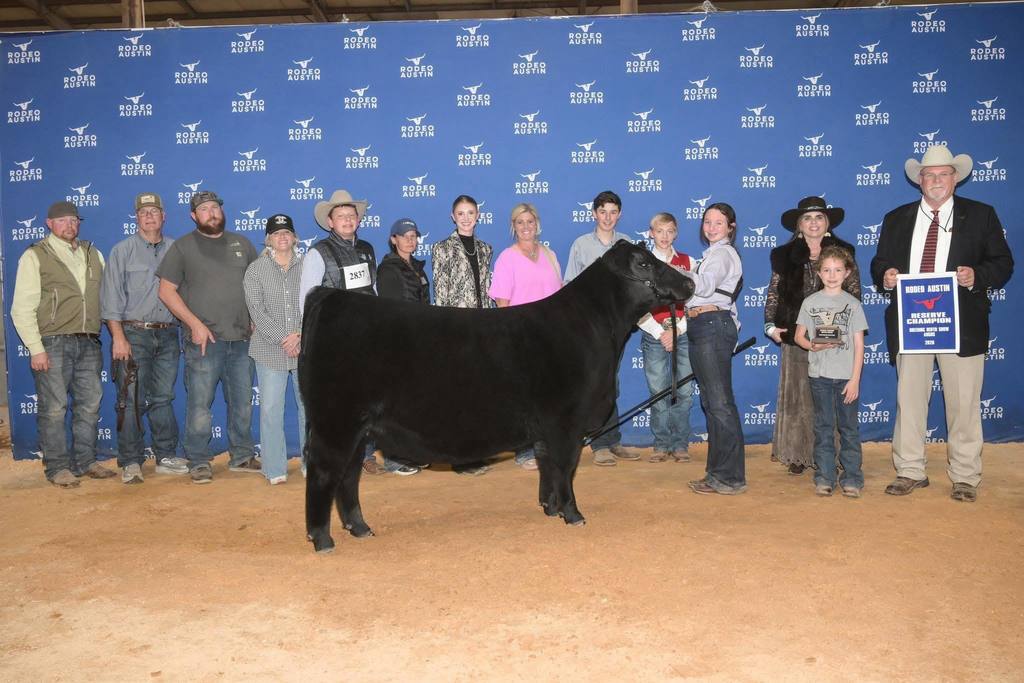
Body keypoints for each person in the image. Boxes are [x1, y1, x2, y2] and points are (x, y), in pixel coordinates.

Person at [871, 145, 1013, 502]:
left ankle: (965, 475)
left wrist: (976, 275)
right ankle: (909, 469)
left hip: (963, 323)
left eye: (943, 174)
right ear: (919, 180)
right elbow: (879, 262)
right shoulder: (896, 218)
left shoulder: (981, 215)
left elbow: (1003, 263)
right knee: (909, 399)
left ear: (955, 178)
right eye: (929, 175)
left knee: (964, 402)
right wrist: (885, 276)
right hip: (912, 322)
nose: (936, 180)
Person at [157, 191, 260, 484]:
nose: (211, 212)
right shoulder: (183, 247)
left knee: (242, 402)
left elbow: (256, 285)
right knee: (200, 405)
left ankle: (242, 455)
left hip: (241, 338)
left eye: (215, 207)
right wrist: (194, 324)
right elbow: (166, 291)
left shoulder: (242, 244)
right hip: (204, 341)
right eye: (204, 209)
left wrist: (255, 319)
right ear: (194, 216)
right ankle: (199, 459)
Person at [11, 200, 115, 487]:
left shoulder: (93, 254)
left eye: (73, 220)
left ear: (78, 223)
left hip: (89, 340)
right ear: (49, 224)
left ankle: (86, 461)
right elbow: (22, 308)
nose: (69, 225)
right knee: (54, 408)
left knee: (89, 405)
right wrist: (36, 348)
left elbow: (107, 297)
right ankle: (57, 467)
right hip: (53, 342)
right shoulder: (35, 255)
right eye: (62, 221)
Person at [764, 196, 860, 476]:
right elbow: (774, 291)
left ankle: (835, 456)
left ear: (827, 222)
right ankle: (799, 453)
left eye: (819, 217)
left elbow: (855, 293)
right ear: (799, 224)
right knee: (799, 397)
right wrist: (770, 326)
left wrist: (847, 330)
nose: (813, 223)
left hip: (836, 340)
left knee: (833, 400)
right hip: (797, 335)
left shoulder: (844, 251)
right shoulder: (783, 255)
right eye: (807, 218)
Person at [101, 192, 187, 485]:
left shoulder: (177, 249)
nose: (149, 216)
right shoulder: (122, 251)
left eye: (154, 211)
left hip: (168, 333)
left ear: (164, 216)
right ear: (136, 218)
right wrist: (118, 337)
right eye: (143, 212)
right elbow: (110, 299)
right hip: (133, 334)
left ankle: (165, 456)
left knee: (163, 397)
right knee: (130, 399)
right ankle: (131, 460)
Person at [299, 189, 383, 475]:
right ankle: (320, 458)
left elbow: (372, 290)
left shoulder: (367, 249)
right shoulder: (318, 252)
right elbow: (307, 297)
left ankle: (365, 455)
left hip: (366, 337)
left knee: (366, 400)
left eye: (351, 215)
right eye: (341, 216)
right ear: (330, 222)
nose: (347, 220)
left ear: (358, 220)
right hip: (333, 339)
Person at [563, 190, 640, 467]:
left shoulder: (627, 244)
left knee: (610, 381)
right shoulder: (581, 245)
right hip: (589, 327)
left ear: (619, 214)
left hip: (617, 326)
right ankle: (600, 444)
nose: (607, 217)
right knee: (595, 382)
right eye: (603, 211)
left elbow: (636, 286)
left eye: (613, 212)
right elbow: (569, 285)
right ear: (594, 213)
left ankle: (612, 439)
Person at [488, 203, 563, 470]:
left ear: (537, 224)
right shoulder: (506, 258)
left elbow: (559, 298)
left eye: (530, 221)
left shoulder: (550, 255)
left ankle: (545, 446)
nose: (526, 226)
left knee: (548, 396)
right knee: (523, 397)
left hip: (550, 338)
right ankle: (523, 450)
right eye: (520, 222)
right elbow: (502, 304)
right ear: (513, 226)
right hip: (521, 338)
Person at [682, 203, 746, 496]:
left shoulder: (722, 254)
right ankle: (718, 474)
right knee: (714, 402)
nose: (711, 227)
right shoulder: (711, 255)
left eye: (718, 222)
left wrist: (677, 273)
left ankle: (729, 477)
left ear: (731, 227)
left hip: (711, 324)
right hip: (705, 324)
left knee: (718, 403)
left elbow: (705, 287)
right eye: (707, 221)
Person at [793, 246, 868, 498]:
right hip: (820, 376)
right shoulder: (810, 303)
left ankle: (852, 477)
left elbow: (859, 345)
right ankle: (825, 476)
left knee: (849, 428)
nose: (832, 275)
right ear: (819, 273)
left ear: (847, 273)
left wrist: (855, 379)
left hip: (846, 377)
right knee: (823, 427)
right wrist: (812, 345)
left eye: (837, 270)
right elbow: (799, 336)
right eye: (826, 270)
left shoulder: (853, 305)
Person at [432, 195, 494, 475]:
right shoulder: (442, 248)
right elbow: (440, 292)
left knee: (479, 394)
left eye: (470, 212)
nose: (466, 217)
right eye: (461, 213)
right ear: (452, 217)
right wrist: (444, 332)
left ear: (478, 215)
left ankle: (477, 450)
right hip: (455, 330)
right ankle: (459, 457)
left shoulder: (485, 248)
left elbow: (487, 290)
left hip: (481, 330)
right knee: (457, 396)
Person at [243, 214, 306, 486]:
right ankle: (274, 467)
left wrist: (300, 335)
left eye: (287, 232)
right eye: (276, 233)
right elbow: (256, 310)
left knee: (309, 409)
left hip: (305, 347)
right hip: (269, 349)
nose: (282, 237)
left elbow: (315, 303)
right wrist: (285, 338)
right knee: (270, 409)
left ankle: (312, 463)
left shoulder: (308, 267)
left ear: (294, 237)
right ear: (268, 239)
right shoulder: (255, 270)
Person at [635, 213, 694, 464]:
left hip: (683, 333)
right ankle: (660, 443)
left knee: (685, 389)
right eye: (659, 231)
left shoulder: (688, 262)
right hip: (654, 335)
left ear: (676, 233)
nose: (664, 236)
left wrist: (677, 330)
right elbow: (637, 305)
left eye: (670, 231)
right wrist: (660, 332)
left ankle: (680, 443)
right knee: (658, 390)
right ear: (651, 233)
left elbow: (695, 301)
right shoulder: (642, 264)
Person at [374, 218, 431, 476]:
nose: (410, 239)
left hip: (419, 341)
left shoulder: (418, 268)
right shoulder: (388, 269)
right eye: (404, 235)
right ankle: (393, 458)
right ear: (393, 239)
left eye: (413, 235)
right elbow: (389, 311)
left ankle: (412, 452)